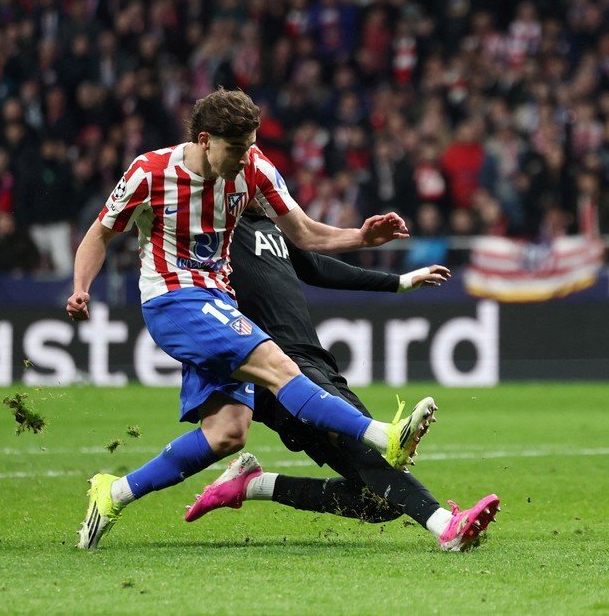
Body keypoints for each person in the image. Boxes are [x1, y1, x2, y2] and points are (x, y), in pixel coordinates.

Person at [66, 89, 436, 549]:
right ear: (205, 140)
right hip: (173, 299)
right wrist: (81, 287)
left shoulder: (254, 167)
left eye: (251, 145)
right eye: (236, 148)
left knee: (227, 434)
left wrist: (360, 236)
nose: (245, 157)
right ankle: (383, 435)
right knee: (280, 366)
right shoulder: (150, 172)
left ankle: (113, 493)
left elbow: (305, 233)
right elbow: (99, 234)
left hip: (220, 300)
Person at [182, 204, 499, 551]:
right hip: (275, 370)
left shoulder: (270, 226)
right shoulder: (217, 227)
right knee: (363, 447)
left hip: (315, 358)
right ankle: (447, 526)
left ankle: (252, 485)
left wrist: (399, 282)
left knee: (381, 501)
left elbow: (317, 267)